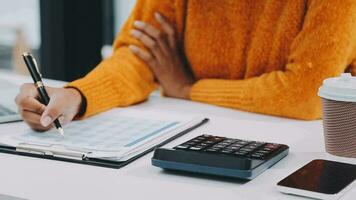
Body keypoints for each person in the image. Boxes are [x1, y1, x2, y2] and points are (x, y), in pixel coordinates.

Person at [16, 0, 356, 131]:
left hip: (306, 149)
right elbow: (139, 55)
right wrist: (77, 96)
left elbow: (307, 93)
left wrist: (188, 89)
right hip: (204, 137)